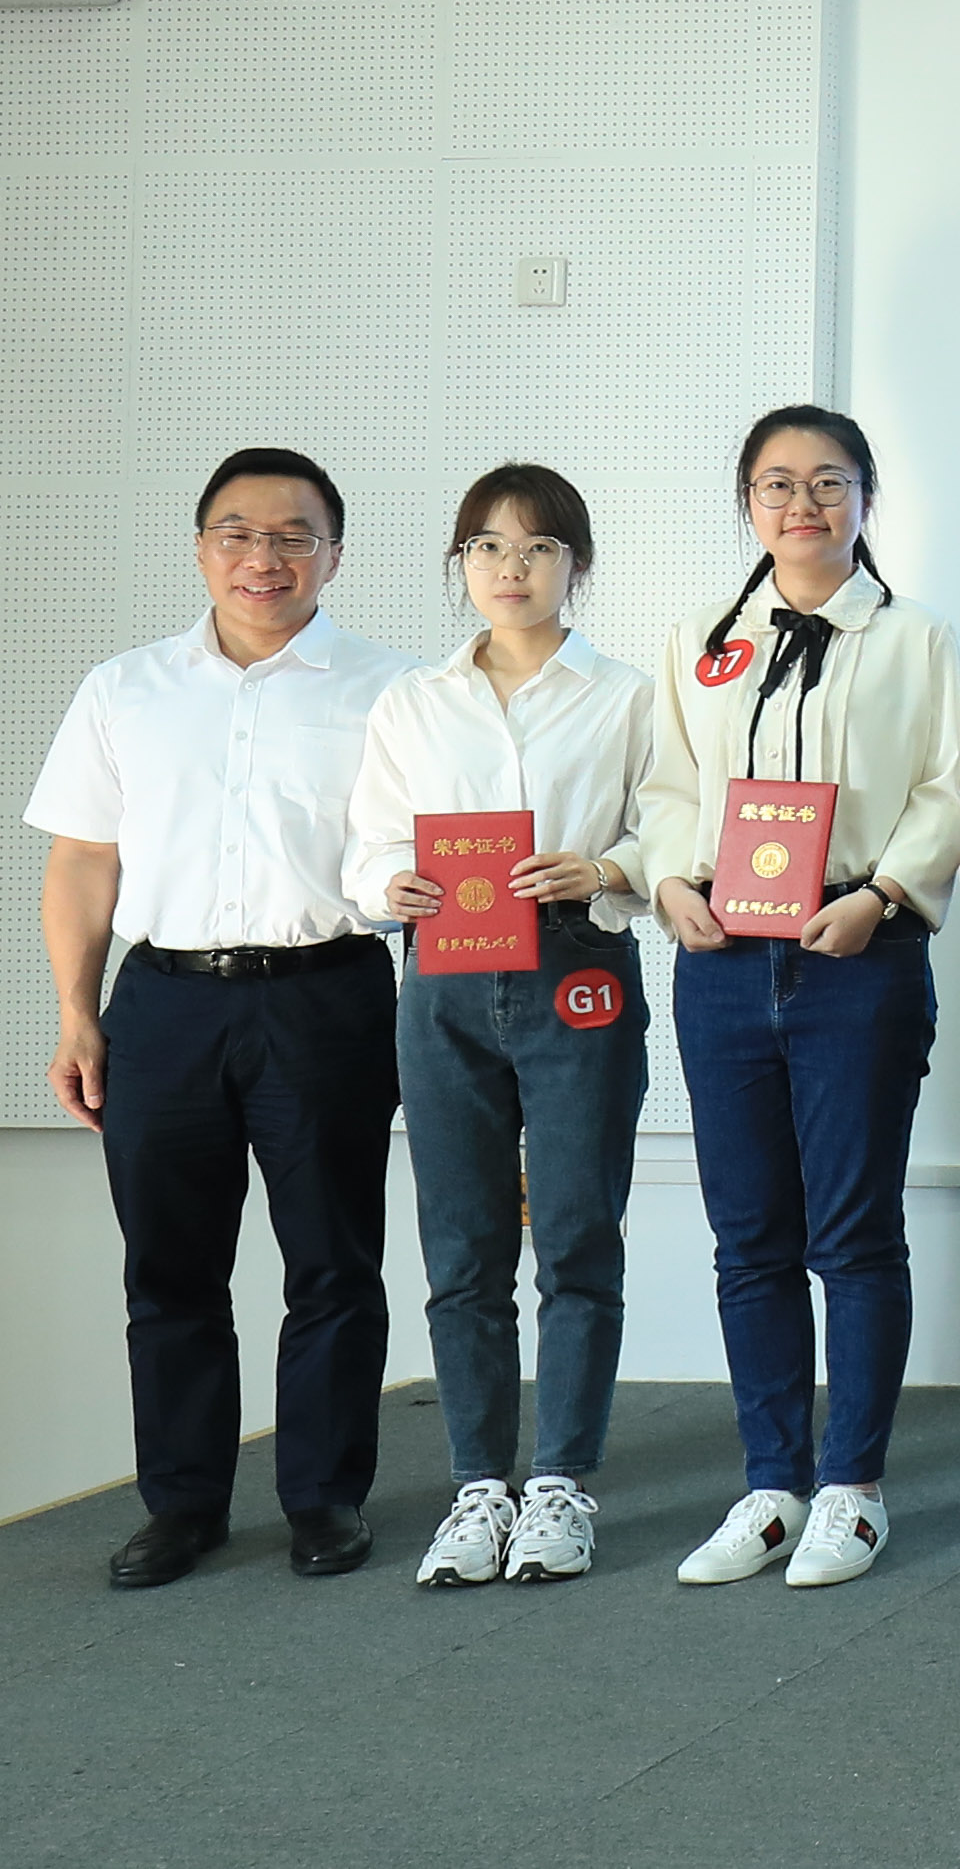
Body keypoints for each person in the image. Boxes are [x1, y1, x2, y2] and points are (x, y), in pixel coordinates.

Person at [31, 448, 414, 1591]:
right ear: (201, 547)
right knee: (169, 1266)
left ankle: (325, 1496)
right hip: (164, 1003)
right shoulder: (124, 688)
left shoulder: (395, 691)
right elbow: (83, 862)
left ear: (334, 554)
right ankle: (184, 1502)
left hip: (328, 994)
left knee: (333, 1259)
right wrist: (77, 1011)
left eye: (294, 535)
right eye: (238, 533)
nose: (265, 556)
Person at [642, 403, 960, 1593]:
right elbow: (672, 784)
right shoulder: (701, 637)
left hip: (854, 953)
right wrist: (670, 880)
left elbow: (950, 788)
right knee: (750, 1239)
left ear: (867, 498)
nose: (803, 503)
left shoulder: (916, 638)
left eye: (829, 481)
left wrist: (882, 894)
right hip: (724, 960)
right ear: (748, 502)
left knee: (854, 1233)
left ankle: (852, 1489)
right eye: (777, 483)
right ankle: (771, 1485)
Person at [345, 464, 665, 1587]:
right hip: (442, 973)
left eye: (537, 548)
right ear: (461, 564)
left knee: (577, 1233)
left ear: (577, 564)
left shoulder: (626, 695)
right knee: (462, 1245)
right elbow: (371, 843)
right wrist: (390, 884)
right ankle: (479, 1485)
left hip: (578, 968)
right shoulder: (414, 701)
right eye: (486, 546)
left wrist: (605, 868)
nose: (510, 568)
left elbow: (671, 833)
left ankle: (562, 1481)